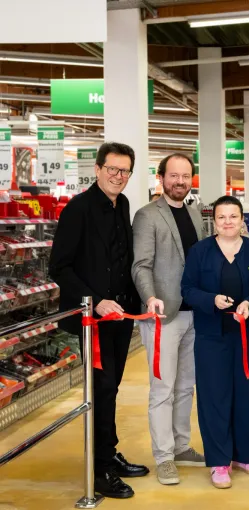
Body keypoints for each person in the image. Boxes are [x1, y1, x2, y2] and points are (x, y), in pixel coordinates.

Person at [49, 142, 147, 499]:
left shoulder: (123, 204)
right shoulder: (78, 209)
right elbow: (59, 267)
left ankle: (108, 453)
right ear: (98, 169)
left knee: (112, 388)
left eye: (124, 171)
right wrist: (95, 300)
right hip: (94, 318)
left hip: (121, 315)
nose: (118, 176)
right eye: (112, 169)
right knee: (102, 389)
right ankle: (101, 471)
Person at [180, 195, 249, 489]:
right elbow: (187, 289)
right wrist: (211, 299)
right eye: (222, 217)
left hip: (247, 334)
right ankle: (219, 461)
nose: (228, 222)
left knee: (248, 393)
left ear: (242, 220)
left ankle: (246, 455)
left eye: (233, 216)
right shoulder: (200, 251)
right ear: (213, 222)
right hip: (211, 336)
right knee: (214, 396)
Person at [131, 153, 205, 485]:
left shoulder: (194, 213)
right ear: (161, 178)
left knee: (186, 386)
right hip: (162, 315)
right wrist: (150, 297)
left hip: (193, 313)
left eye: (185, 176)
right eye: (173, 175)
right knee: (163, 388)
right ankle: (163, 456)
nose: (180, 181)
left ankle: (181, 446)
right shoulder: (147, 215)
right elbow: (141, 265)